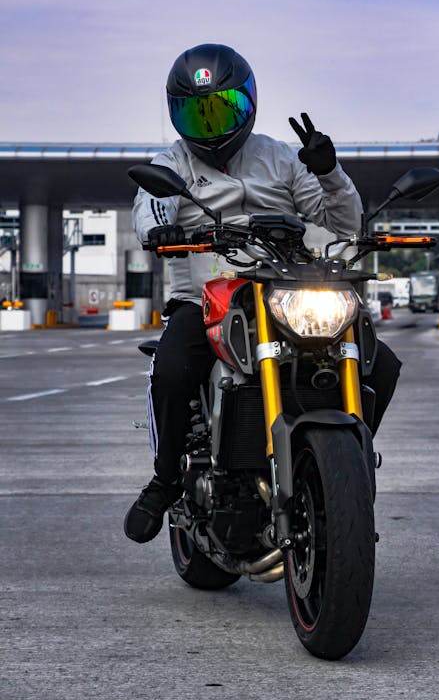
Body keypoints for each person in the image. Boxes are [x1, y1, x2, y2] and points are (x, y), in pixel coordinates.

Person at [124, 43, 400, 544]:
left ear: (246, 102)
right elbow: (153, 206)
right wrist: (159, 232)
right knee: (172, 370)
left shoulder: (282, 159)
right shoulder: (172, 164)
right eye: (196, 112)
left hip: (288, 288)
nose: (209, 124)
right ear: (176, 112)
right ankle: (165, 480)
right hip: (209, 299)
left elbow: (341, 224)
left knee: (380, 362)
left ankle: (346, 470)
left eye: (219, 108)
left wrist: (329, 171)